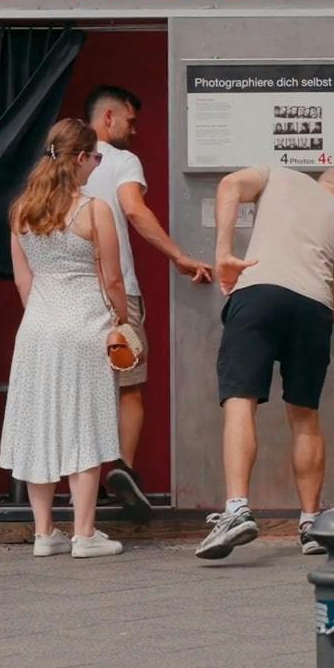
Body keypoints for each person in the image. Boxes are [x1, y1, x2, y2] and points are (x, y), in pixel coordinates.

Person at [196, 165, 334, 561]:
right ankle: (311, 524)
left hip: (258, 292)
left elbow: (229, 185)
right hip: (314, 307)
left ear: (320, 181)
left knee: (241, 400)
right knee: (305, 415)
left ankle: (237, 510)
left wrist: (223, 255)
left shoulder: (280, 175)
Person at [0, 118, 127, 559]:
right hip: (86, 326)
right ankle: (84, 533)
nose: (97, 165)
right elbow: (112, 278)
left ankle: (44, 532)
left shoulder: (21, 211)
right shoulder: (94, 210)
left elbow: (23, 281)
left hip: (36, 330)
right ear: (80, 158)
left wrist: (42, 316)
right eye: (96, 157)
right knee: (83, 425)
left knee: (39, 426)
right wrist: (123, 319)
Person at [84, 85, 213, 520]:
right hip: (117, 289)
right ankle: (122, 468)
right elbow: (135, 211)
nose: (134, 130)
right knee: (129, 385)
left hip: (70, 295)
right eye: (130, 120)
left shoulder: (59, 162)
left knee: (82, 387)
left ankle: (83, 477)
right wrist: (179, 256)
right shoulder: (122, 160)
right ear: (108, 117)